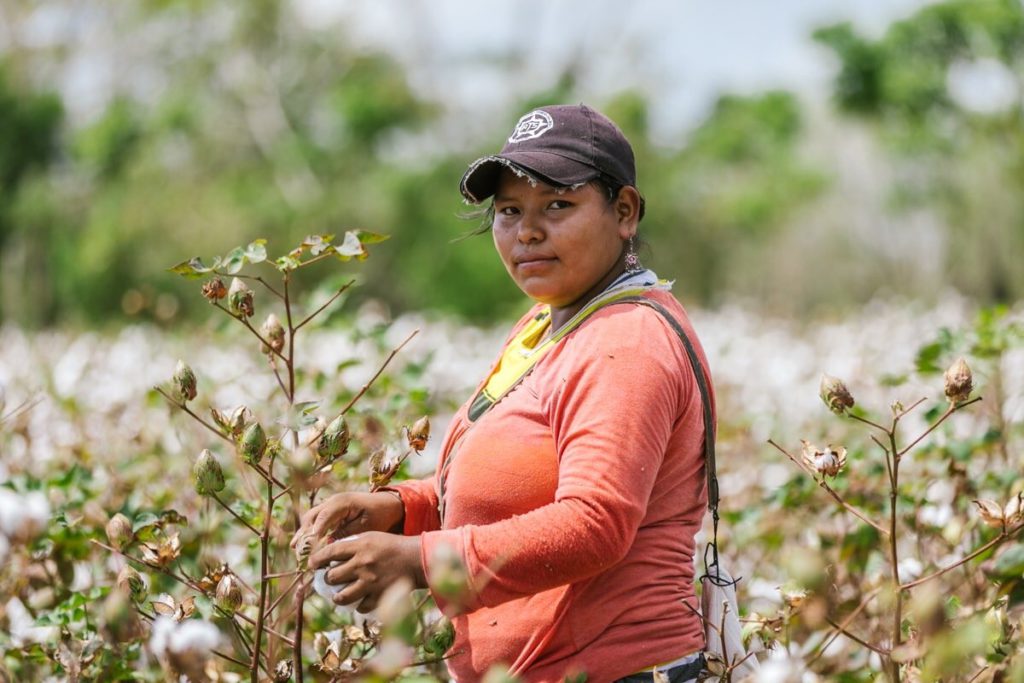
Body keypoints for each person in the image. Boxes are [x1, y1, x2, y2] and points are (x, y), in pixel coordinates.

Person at [296, 104, 714, 683]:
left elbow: (594, 524)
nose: (528, 231)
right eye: (509, 211)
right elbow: (517, 487)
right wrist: (402, 510)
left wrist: (420, 563)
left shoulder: (626, 342)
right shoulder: (546, 324)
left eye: (558, 206)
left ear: (625, 211)